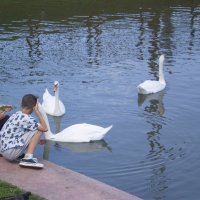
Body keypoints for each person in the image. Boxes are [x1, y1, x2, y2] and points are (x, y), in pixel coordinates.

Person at [0, 94, 48, 168]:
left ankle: (21, 156)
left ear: (22, 104)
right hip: (10, 154)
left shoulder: (15, 114)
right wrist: (38, 113)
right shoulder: (27, 118)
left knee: (33, 128)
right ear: (34, 107)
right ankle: (28, 159)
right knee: (38, 129)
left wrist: (37, 140)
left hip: (3, 151)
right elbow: (45, 128)